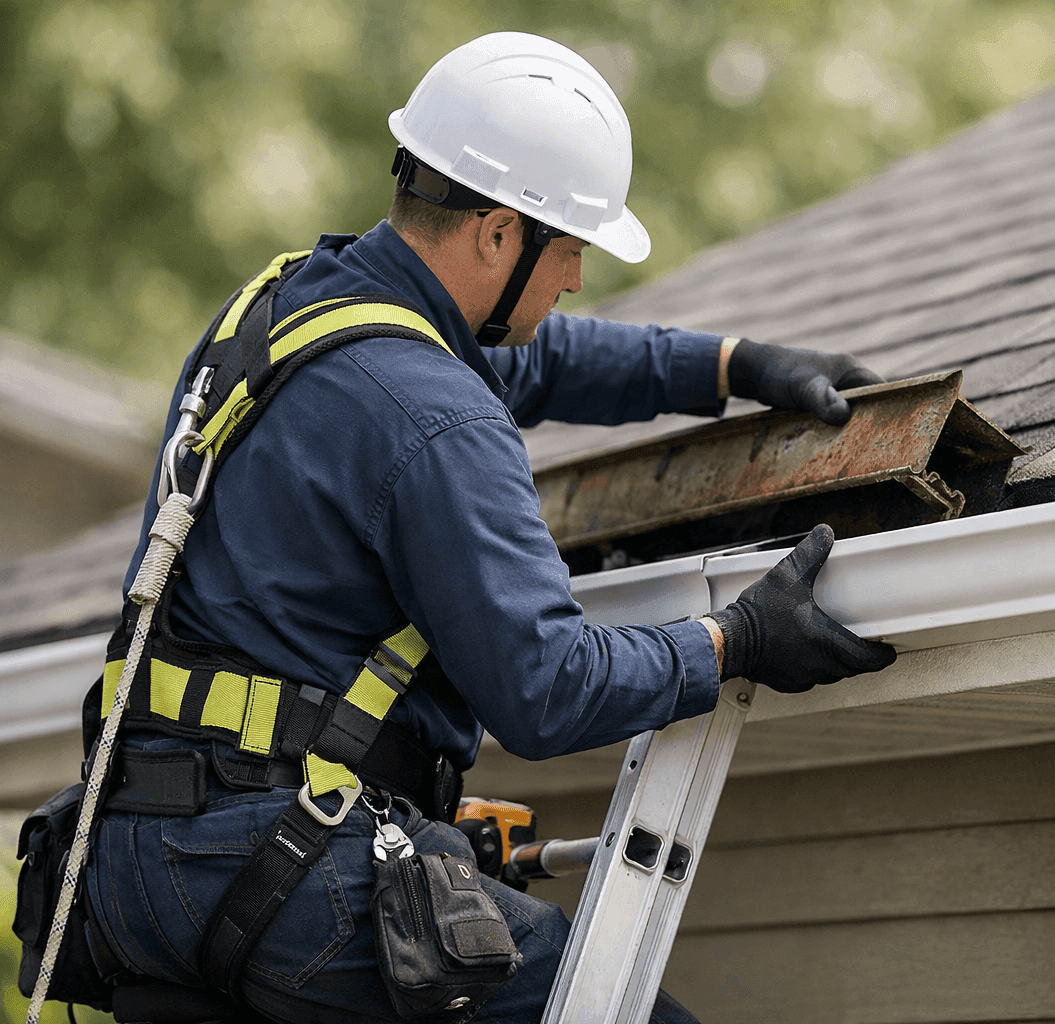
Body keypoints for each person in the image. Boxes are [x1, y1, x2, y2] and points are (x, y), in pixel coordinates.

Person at [83, 31, 896, 1024]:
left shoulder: (285, 312)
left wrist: (735, 365)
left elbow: (538, 359)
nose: (577, 279)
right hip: (276, 868)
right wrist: (737, 640)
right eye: (572, 248)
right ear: (500, 235)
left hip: (132, 862)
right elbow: (546, 691)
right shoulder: (434, 414)